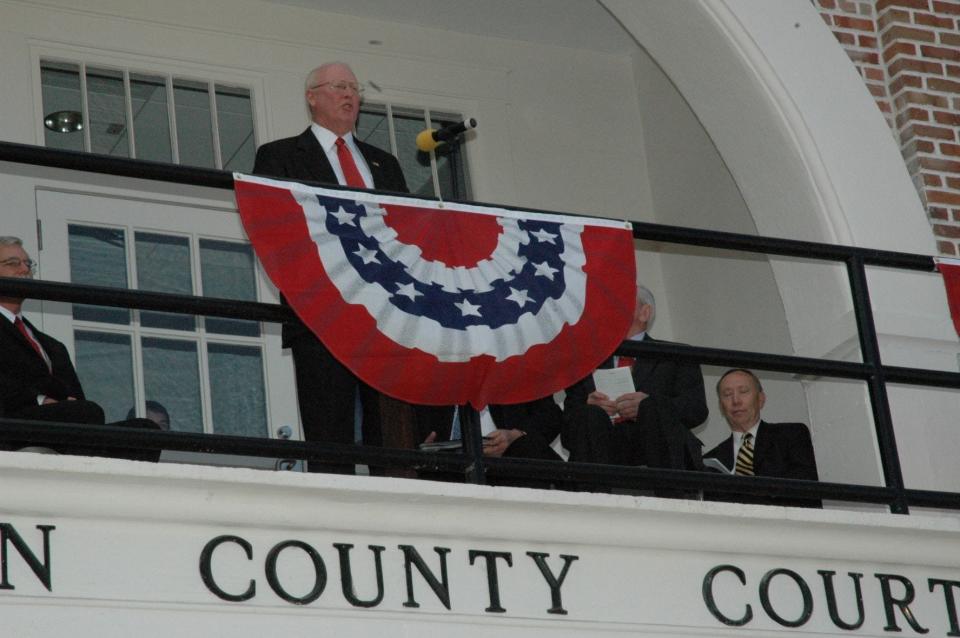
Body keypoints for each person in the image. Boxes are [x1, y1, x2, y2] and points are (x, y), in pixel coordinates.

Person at [252, 62, 409, 473]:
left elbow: (409, 233)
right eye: (339, 86)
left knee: (391, 435)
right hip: (323, 306)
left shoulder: (384, 164)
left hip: (388, 312)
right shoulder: (279, 156)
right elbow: (273, 231)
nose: (350, 95)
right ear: (312, 96)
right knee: (330, 432)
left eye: (355, 88)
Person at [0, 236, 161, 460]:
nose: (24, 269)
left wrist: (66, 404)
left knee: (145, 431)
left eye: (28, 264)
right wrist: (40, 400)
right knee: (87, 412)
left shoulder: (52, 346)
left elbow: (76, 397)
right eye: (13, 263)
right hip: (13, 423)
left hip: (61, 423)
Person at [561, 285, 708, 475]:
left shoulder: (676, 355)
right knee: (589, 415)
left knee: (652, 406)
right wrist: (588, 406)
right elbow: (567, 432)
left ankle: (670, 493)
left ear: (645, 313)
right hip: (602, 447)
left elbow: (696, 410)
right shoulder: (586, 361)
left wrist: (648, 407)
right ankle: (596, 500)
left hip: (657, 447)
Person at [703, 368, 820, 508]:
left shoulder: (790, 436)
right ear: (721, 407)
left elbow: (805, 488)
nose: (736, 401)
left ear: (761, 399)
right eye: (727, 394)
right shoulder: (710, 461)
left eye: (743, 391)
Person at [414, 397, 565, 489]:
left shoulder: (516, 364)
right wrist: (423, 449)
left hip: (509, 467)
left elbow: (551, 416)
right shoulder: (429, 369)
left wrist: (515, 435)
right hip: (447, 470)